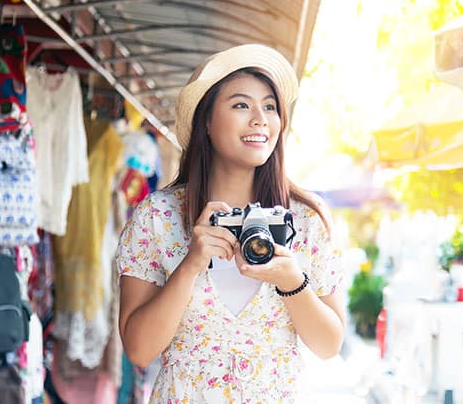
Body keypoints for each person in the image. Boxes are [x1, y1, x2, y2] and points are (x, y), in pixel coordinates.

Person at [116, 44, 345, 402]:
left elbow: (330, 345)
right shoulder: (158, 217)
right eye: (241, 105)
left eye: (270, 106)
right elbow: (139, 351)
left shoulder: (304, 220)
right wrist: (191, 264)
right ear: (206, 120)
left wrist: (292, 281)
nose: (260, 119)